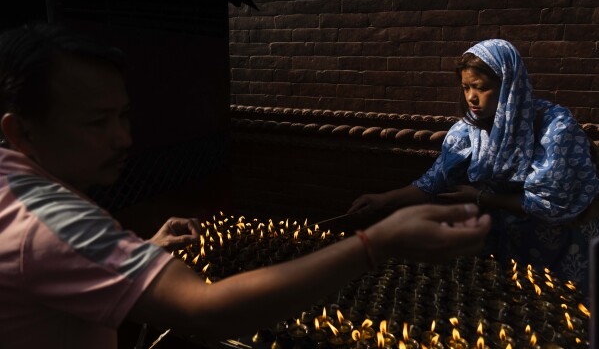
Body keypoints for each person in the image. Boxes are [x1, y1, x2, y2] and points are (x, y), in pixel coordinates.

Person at [0, 23, 492, 349]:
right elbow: (207, 311)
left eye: (123, 116)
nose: (123, 138)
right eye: (95, 122)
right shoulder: (51, 220)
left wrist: (143, 250)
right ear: (21, 130)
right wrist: (376, 242)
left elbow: (51, 266)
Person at [349, 39, 599, 297]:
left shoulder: (554, 128)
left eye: (480, 87)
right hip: (506, 249)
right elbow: (433, 182)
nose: (471, 97)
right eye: (465, 87)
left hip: (559, 250)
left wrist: (482, 197)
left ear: (509, 86)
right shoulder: (469, 131)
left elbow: (550, 203)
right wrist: (383, 200)